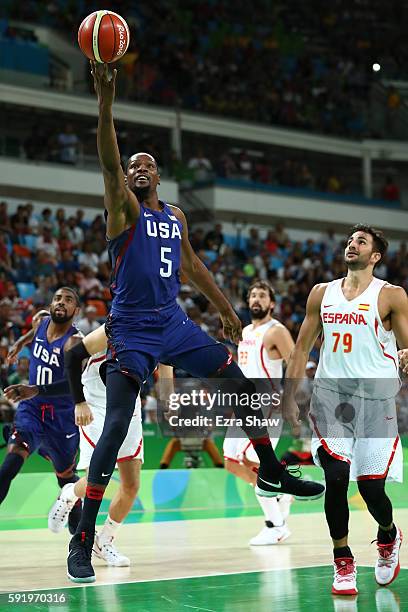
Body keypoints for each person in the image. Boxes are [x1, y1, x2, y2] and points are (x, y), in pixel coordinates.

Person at [67, 62, 324, 583]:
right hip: (132, 329)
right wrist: (105, 102)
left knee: (241, 385)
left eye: (147, 165)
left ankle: (273, 472)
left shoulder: (176, 216)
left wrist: (228, 311)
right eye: (132, 166)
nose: (137, 170)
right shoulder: (123, 211)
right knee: (116, 425)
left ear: (159, 176)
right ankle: (83, 539)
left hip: (173, 322)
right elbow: (107, 159)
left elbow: (192, 266)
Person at [283, 224, 408, 595]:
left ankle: (388, 535)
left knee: (372, 491)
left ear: (375, 256)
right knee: (336, 477)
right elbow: (302, 349)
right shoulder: (322, 293)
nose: (352, 245)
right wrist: (289, 395)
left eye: (361, 242)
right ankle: (343, 559)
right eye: (350, 240)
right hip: (331, 399)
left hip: (376, 403)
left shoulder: (391, 296)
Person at [45, 323, 173, 567]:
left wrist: (168, 399)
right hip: (96, 406)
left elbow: (166, 362)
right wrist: (78, 402)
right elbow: (73, 357)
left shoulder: (161, 331)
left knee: (132, 484)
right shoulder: (117, 326)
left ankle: (104, 541)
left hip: (128, 405)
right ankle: (69, 494)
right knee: (97, 477)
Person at [1, 288, 83, 533]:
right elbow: (32, 333)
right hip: (32, 411)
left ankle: (78, 539)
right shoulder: (43, 323)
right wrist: (18, 344)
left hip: (62, 419)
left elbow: (74, 384)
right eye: (58, 298)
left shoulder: (74, 342)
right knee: (12, 461)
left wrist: (35, 389)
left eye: (68, 300)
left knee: (66, 478)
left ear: (75, 312)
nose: (61, 302)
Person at [224, 280, 295, 546]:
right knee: (231, 461)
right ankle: (280, 493)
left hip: (266, 404)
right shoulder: (244, 332)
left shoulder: (276, 331)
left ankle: (275, 524)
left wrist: (288, 398)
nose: (256, 299)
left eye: (262, 295)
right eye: (252, 294)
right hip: (244, 403)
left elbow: (295, 363)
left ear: (272, 303)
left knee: (252, 460)